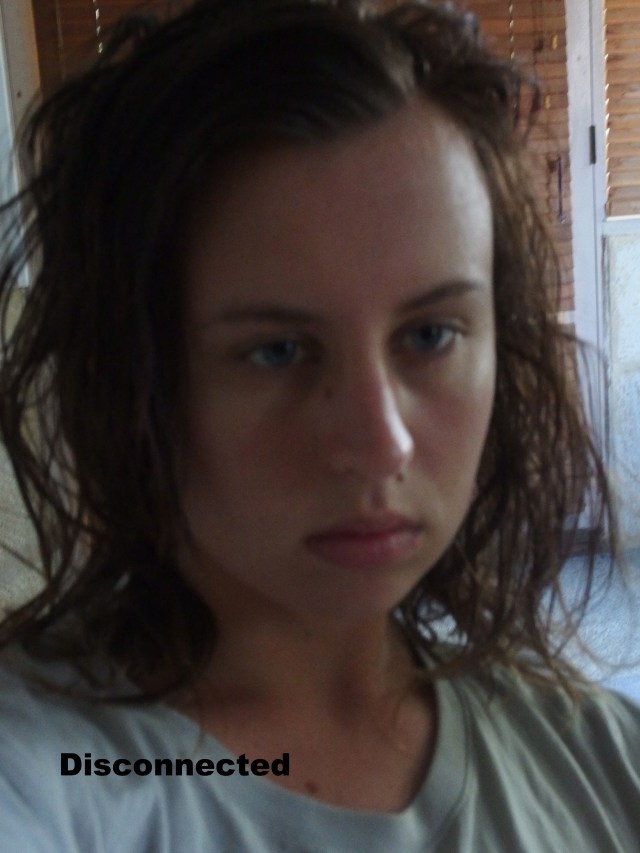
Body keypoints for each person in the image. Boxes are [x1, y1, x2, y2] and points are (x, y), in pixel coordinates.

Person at [0, 0, 637, 849]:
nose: (382, 444)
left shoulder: (599, 758)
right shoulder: (45, 771)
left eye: (429, 335)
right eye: (277, 351)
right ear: (131, 376)